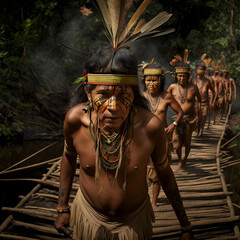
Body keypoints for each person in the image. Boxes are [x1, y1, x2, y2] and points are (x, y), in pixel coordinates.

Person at [53, 42, 194, 240]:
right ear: (88, 91)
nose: (113, 106)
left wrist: (185, 225)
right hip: (88, 217)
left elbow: (164, 173)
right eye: (103, 94)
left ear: (133, 93)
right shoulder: (75, 121)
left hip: (133, 223)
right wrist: (62, 208)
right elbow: (68, 157)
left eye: (122, 94)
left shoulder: (150, 128)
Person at [140, 60, 184, 211]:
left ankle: (154, 202)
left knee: (159, 168)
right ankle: (142, 200)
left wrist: (174, 124)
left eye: (154, 80)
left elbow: (180, 112)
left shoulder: (167, 97)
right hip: (143, 138)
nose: (151, 83)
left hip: (162, 138)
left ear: (161, 80)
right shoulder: (140, 97)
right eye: (148, 79)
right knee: (143, 169)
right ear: (144, 80)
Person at [167, 51, 201, 172]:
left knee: (187, 142)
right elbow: (165, 100)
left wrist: (198, 116)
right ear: (176, 75)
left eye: (183, 76)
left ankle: (184, 160)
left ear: (188, 76)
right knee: (176, 143)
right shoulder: (172, 88)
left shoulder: (193, 88)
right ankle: (180, 160)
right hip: (177, 119)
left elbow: (199, 102)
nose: (181, 78)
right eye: (179, 76)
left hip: (190, 119)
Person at [195, 60, 216, 136]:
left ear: (204, 71)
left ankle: (201, 131)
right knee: (197, 119)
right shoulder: (193, 81)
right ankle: (197, 129)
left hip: (205, 103)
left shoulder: (207, 81)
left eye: (202, 70)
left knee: (203, 118)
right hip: (196, 103)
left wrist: (212, 102)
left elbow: (213, 92)